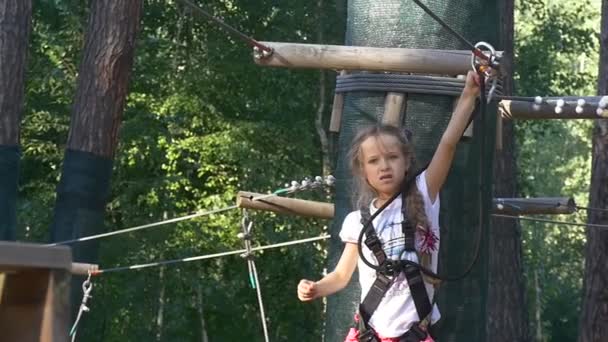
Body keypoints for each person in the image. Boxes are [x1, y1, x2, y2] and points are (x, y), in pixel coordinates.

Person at [297, 71, 481, 341]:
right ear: (363, 171)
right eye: (374, 161)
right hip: (369, 333)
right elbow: (341, 275)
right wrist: (315, 288)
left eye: (392, 157)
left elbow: (447, 144)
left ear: (406, 162)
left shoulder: (423, 193)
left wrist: (468, 95)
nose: (384, 166)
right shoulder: (357, 222)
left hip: (413, 333)